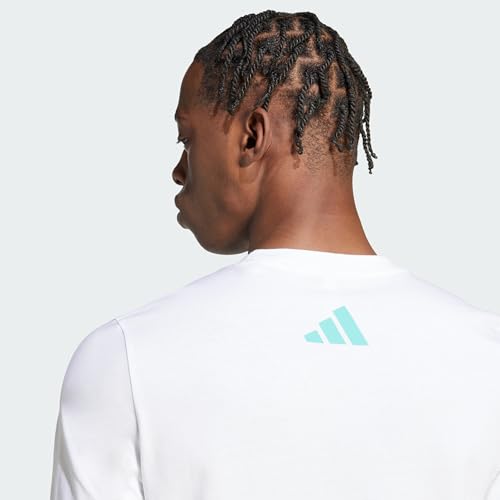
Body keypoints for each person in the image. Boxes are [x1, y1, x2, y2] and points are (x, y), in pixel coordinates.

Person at [49, 10, 500, 500]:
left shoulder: (125, 359)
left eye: (187, 139)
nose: (179, 170)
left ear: (252, 136)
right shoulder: (485, 357)